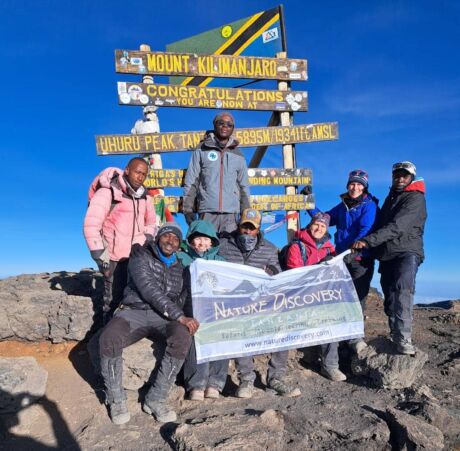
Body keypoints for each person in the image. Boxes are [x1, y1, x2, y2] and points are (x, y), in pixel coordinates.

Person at [98, 223, 199, 425]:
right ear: (158, 237)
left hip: (163, 317)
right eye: (166, 236)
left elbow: (180, 298)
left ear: (179, 245)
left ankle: (156, 398)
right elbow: (149, 290)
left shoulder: (180, 267)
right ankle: (116, 399)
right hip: (134, 310)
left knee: (182, 337)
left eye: (175, 239)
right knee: (108, 338)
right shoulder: (140, 256)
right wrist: (180, 316)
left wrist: (189, 316)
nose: (170, 241)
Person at [218, 208, 301, 398]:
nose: (247, 232)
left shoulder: (269, 249)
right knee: (240, 327)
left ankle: (276, 378)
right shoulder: (224, 246)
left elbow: (277, 274)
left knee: (282, 325)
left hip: (261, 303)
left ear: (258, 229)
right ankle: (246, 379)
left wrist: (271, 270)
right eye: (244, 228)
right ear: (239, 227)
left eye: (252, 228)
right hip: (234, 305)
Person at [352, 161, 427, 355]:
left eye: (404, 175)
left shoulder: (415, 198)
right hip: (387, 255)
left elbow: (397, 226)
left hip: (407, 252)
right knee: (390, 297)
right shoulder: (391, 197)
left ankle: (404, 338)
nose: (400, 178)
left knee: (403, 291)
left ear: (411, 177)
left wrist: (368, 241)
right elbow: (380, 223)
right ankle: (395, 334)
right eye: (397, 175)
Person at [308, 169, 379, 353]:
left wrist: (355, 249)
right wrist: (308, 203)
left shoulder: (369, 205)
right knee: (339, 297)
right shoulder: (342, 207)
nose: (355, 187)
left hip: (360, 259)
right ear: (348, 185)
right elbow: (324, 219)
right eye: (352, 184)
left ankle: (355, 338)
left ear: (364, 187)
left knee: (357, 298)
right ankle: (338, 336)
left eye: (359, 184)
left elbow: (366, 229)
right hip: (341, 258)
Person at [83, 157, 156, 323]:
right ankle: (105, 337)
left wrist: (145, 239)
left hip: (136, 258)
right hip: (113, 258)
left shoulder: (146, 198)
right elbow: (91, 224)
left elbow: (151, 223)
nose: (140, 177)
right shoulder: (108, 192)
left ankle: (128, 332)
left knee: (137, 298)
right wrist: (101, 257)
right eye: (137, 172)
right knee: (112, 301)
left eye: (144, 174)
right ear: (127, 170)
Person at [286, 213, 347, 382]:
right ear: (310, 225)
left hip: (323, 296)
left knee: (332, 318)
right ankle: (314, 358)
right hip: (301, 296)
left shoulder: (330, 249)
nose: (319, 228)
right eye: (316, 224)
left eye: (323, 226)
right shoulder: (297, 247)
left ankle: (330, 366)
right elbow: (295, 273)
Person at [177, 219, 229, 401]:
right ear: (191, 239)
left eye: (207, 240)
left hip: (215, 310)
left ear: (213, 242)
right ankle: (196, 384)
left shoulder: (220, 261)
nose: (202, 243)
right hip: (190, 310)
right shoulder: (181, 258)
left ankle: (215, 383)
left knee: (222, 334)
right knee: (194, 338)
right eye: (198, 239)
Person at [183, 112, 250, 234]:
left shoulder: (238, 154)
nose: (225, 127)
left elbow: (243, 186)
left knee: (229, 251)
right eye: (221, 123)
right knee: (205, 248)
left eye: (229, 125)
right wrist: (188, 209)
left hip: (231, 215)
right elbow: (192, 180)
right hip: (207, 212)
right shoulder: (202, 149)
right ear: (215, 125)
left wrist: (245, 213)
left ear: (232, 129)